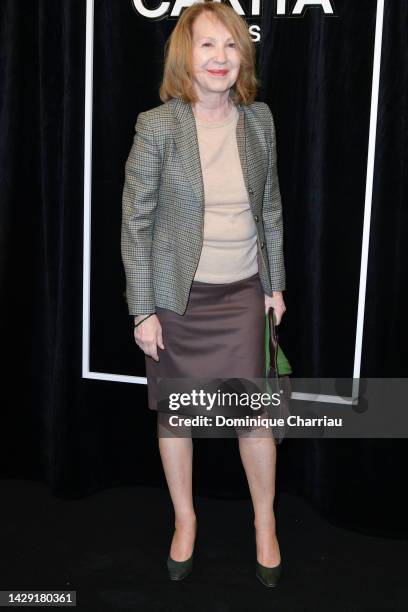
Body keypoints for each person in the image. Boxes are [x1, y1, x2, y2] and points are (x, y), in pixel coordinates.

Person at [121, 2, 286, 587]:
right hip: (177, 299)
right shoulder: (158, 126)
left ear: (243, 55)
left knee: (255, 417)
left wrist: (276, 286)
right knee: (176, 417)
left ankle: (265, 522)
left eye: (231, 45)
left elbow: (269, 208)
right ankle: (184, 520)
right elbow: (136, 220)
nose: (220, 57)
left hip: (242, 292)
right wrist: (143, 308)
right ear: (185, 56)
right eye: (207, 45)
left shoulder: (259, 120)